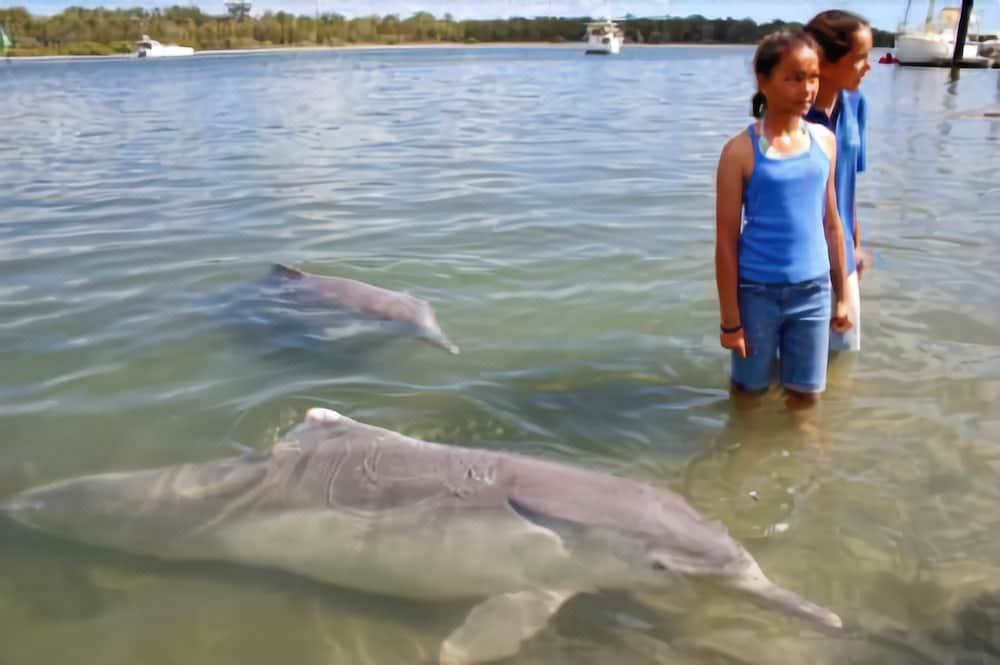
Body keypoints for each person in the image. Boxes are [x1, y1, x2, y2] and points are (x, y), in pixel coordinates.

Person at [714, 28, 852, 409]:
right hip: (756, 293)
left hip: (813, 291)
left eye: (813, 78)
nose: (807, 88)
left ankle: (806, 457)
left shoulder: (824, 141)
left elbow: (831, 222)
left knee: (806, 396)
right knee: (748, 394)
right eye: (794, 78)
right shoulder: (739, 151)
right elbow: (726, 241)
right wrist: (730, 322)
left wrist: (842, 297)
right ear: (764, 80)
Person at [804, 10, 873, 352]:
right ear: (825, 61)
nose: (869, 66)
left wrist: (855, 245)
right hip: (798, 262)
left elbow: (849, 188)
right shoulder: (789, 112)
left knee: (842, 365)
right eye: (860, 58)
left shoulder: (857, 104)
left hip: (843, 258)